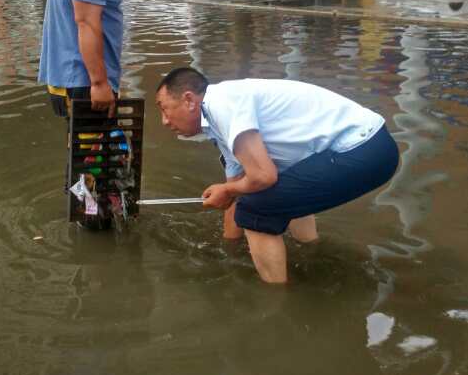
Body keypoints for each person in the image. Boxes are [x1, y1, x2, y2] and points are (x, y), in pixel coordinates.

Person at [155, 68, 399, 284]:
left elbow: (262, 177)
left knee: (254, 210)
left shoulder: (221, 104)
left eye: (165, 109)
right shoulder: (220, 124)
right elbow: (237, 190)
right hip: (375, 146)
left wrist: (228, 192)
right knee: (278, 193)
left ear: (188, 100)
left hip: (361, 149)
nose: (164, 122)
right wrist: (228, 249)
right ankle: (311, 252)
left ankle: (276, 300)